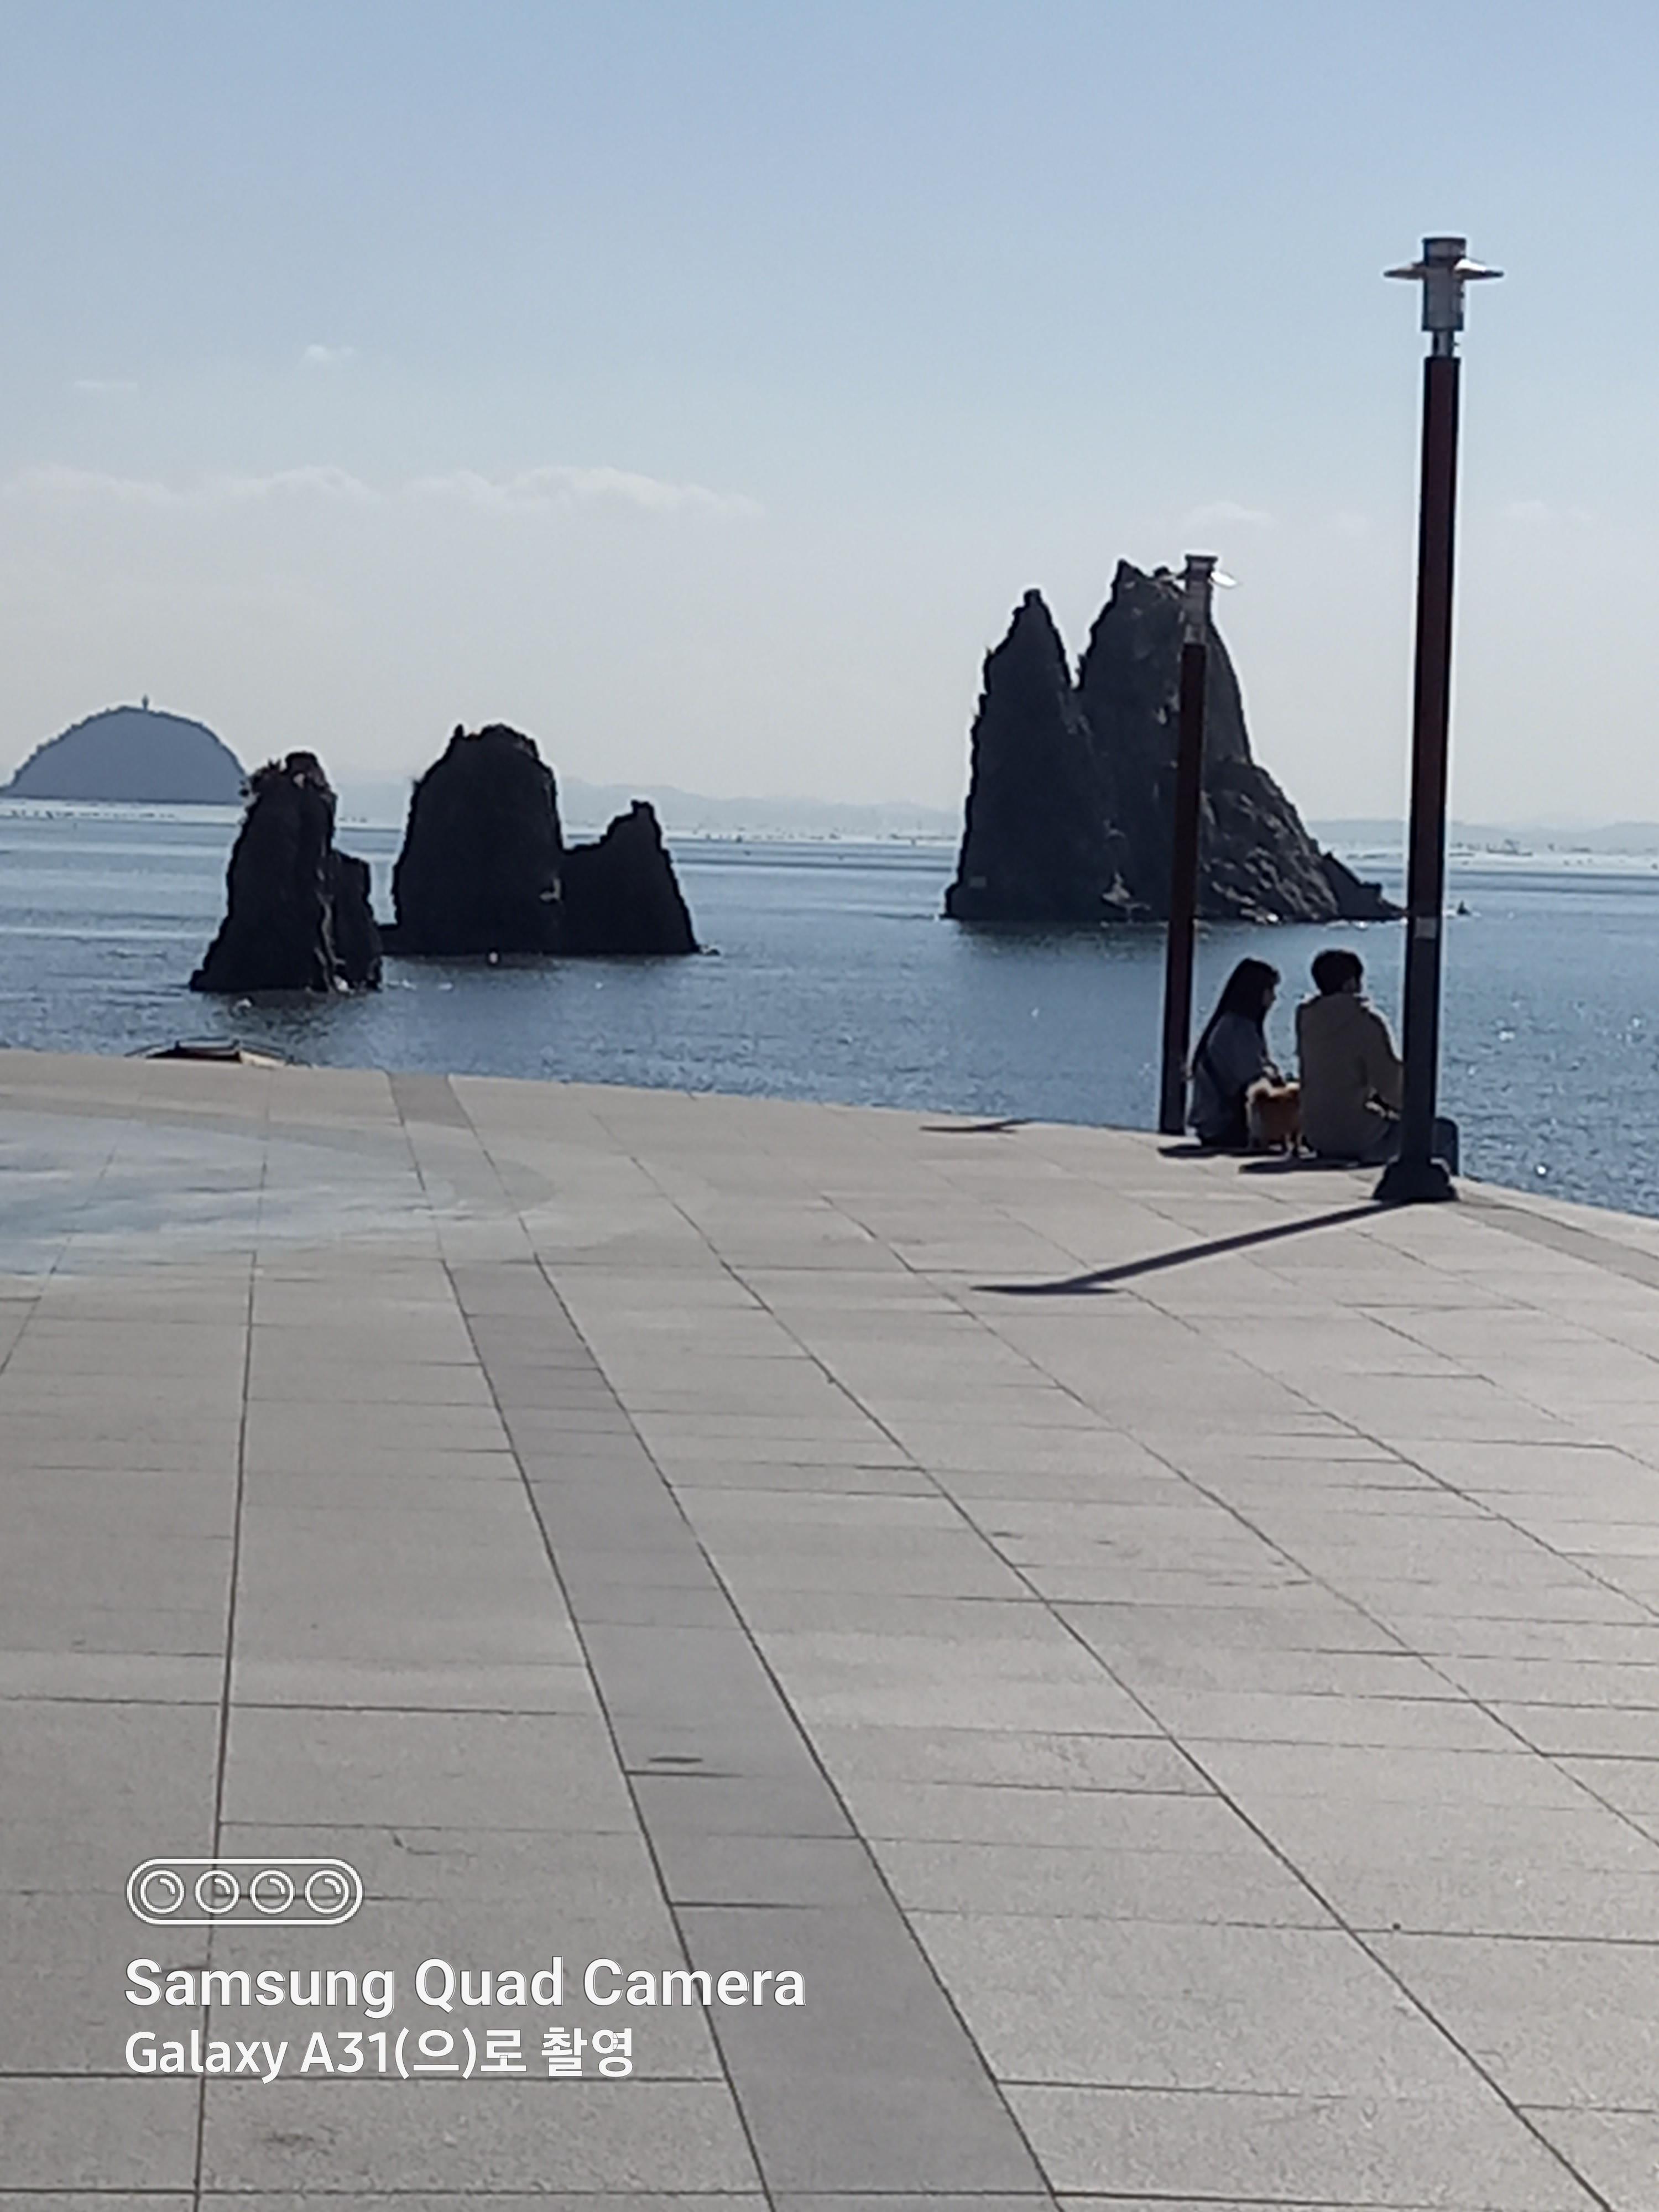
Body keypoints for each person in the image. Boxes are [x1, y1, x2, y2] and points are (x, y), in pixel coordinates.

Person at [1296, 948, 1405, 1162]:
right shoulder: (1366, 1022)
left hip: (1316, 1134)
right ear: (1351, 983)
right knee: (1442, 1132)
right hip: (1359, 1135)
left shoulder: (1307, 1020)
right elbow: (1391, 1088)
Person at [1188, 958, 1281, 1148]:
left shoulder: (1230, 1023)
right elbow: (1252, 1078)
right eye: (1270, 990)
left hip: (1214, 1121)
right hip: (1223, 1124)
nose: (1274, 998)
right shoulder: (1238, 1029)